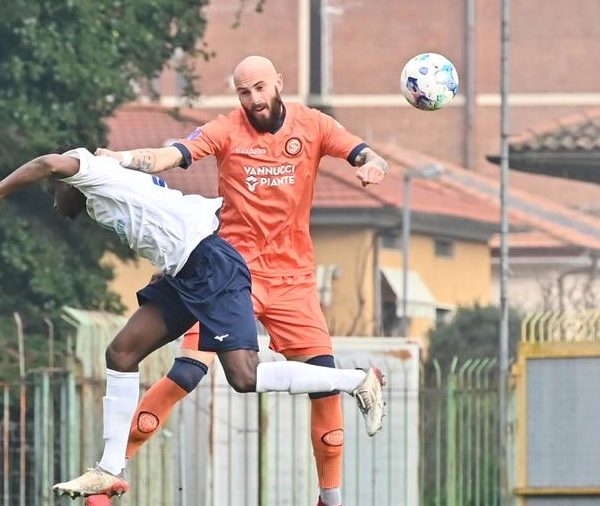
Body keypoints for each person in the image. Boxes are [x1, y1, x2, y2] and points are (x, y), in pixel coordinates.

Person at [0, 147, 387, 501]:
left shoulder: (87, 167)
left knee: (244, 376)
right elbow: (161, 219)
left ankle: (355, 380)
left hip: (211, 266)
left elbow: (47, 163)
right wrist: (166, 270)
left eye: (52, 193)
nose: (53, 201)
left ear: (67, 182)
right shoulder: (100, 197)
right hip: (183, 273)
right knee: (121, 352)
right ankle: (108, 470)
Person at [93, 54, 390, 506]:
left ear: (279, 84)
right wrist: (126, 160)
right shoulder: (226, 129)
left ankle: (331, 500)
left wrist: (372, 165)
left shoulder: (314, 126)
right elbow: (172, 154)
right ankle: (109, 482)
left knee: (324, 383)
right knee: (186, 372)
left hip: (294, 280)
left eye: (260, 88)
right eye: (244, 92)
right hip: (229, 274)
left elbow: (363, 151)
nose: (253, 99)